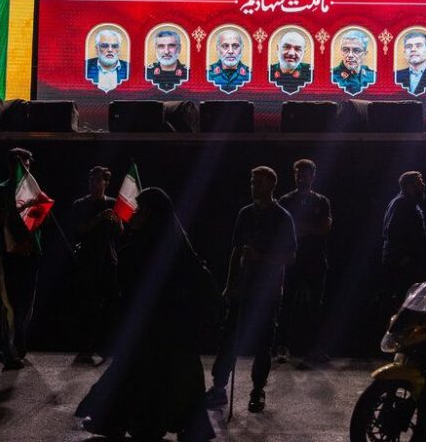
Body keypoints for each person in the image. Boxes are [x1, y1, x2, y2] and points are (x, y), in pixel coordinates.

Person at [76, 188, 216, 441]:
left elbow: (128, 282)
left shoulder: (148, 246)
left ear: (150, 214)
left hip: (155, 329)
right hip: (169, 330)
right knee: (168, 377)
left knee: (139, 375)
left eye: (139, 210)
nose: (134, 214)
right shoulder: (176, 245)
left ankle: (123, 422)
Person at [207, 166, 296, 413]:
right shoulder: (245, 214)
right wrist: (230, 284)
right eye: (252, 182)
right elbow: (236, 251)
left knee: (263, 343)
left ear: (272, 184)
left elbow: (290, 257)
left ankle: (257, 391)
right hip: (243, 288)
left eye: (259, 182)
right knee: (228, 339)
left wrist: (262, 257)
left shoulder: (282, 217)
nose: (254, 186)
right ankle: (219, 388)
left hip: (267, 291)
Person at [0, 148, 43, 371]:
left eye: (27, 165)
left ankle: (19, 345)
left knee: (26, 304)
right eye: (19, 165)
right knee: (8, 304)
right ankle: (9, 351)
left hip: (30, 253)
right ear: (10, 166)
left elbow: (39, 220)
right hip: (7, 253)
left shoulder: (34, 190)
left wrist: (27, 241)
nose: (24, 169)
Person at [278, 159, 333, 369]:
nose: (301, 178)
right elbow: (284, 230)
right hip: (291, 259)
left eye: (305, 174)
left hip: (316, 260)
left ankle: (314, 348)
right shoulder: (286, 200)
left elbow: (325, 229)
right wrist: (311, 228)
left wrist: (301, 227)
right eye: (298, 175)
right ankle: (282, 346)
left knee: (315, 306)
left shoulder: (322, 201)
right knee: (286, 303)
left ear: (313, 176)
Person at [69, 166, 122, 366]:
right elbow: (79, 229)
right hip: (88, 260)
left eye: (98, 180)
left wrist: (117, 221)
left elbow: (120, 231)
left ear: (106, 183)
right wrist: (100, 218)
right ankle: (86, 347)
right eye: (91, 180)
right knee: (88, 304)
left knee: (109, 304)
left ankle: (106, 345)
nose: (93, 184)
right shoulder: (80, 204)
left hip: (108, 259)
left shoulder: (113, 203)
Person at [381, 171, 426, 302]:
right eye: (420, 183)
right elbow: (392, 232)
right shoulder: (401, 204)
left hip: (406, 263)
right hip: (401, 265)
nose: (423, 185)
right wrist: (403, 258)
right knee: (401, 299)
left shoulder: (409, 203)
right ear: (410, 186)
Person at [331, 29, 376, 95]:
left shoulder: (373, 76)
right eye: (345, 50)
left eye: (356, 50)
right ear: (341, 51)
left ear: (365, 53)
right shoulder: (332, 77)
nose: (350, 55)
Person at [207, 29, 251, 93]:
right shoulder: (208, 74)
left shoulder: (249, 75)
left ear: (242, 48)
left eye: (235, 46)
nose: (230, 51)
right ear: (218, 48)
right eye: (225, 46)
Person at [395, 31, 426, 96]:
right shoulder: (395, 76)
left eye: (418, 46)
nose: (413, 49)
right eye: (409, 46)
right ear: (405, 53)